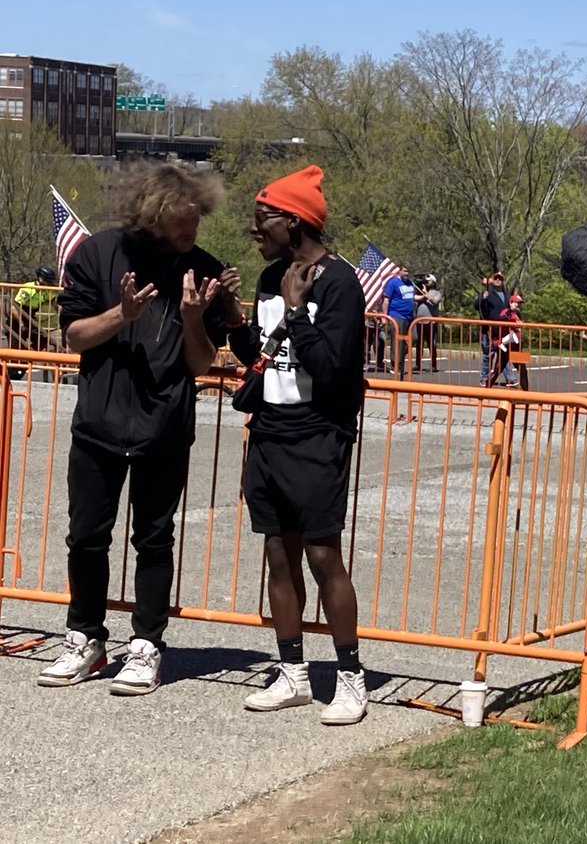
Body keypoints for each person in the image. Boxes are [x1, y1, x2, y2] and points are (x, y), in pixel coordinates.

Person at [35, 162, 230, 695]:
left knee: (154, 539)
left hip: (164, 428)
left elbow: (200, 364)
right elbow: (73, 336)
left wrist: (194, 318)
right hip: (98, 425)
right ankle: (85, 639)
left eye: (197, 219)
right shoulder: (97, 255)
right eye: (181, 220)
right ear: (153, 214)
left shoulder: (204, 269)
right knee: (87, 538)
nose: (191, 230)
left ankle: (146, 645)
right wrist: (120, 314)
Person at [225, 165, 368, 725]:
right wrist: (219, 316)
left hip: (317, 433)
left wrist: (295, 311)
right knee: (276, 557)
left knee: (321, 555)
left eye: (262, 219)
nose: (254, 229)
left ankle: (351, 679)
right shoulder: (269, 278)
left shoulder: (337, 282)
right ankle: (292, 674)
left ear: (293, 220)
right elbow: (260, 358)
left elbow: (333, 371)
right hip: (269, 431)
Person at [8, 265, 60, 352]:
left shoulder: (46, 291)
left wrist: (63, 317)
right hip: (16, 321)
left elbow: (55, 305)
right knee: (16, 349)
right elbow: (13, 308)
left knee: (42, 340)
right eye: (48, 281)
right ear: (41, 279)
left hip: (29, 319)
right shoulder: (29, 288)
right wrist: (22, 325)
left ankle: (30, 355)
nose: (50, 284)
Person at [475, 271, 514, 386]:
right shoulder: (487, 293)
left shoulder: (507, 294)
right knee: (489, 354)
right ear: (492, 280)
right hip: (488, 329)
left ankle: (510, 378)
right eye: (496, 278)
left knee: (504, 353)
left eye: (500, 279)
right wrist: (483, 298)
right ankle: (484, 377)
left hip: (503, 329)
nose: (498, 280)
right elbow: (477, 306)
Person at [381, 264, 416, 377]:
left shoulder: (410, 283)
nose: (407, 274)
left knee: (414, 338)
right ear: (399, 271)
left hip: (409, 316)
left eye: (408, 271)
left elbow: (412, 297)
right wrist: (384, 317)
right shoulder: (393, 283)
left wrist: (425, 297)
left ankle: (399, 358)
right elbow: (386, 301)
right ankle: (395, 364)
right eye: (405, 271)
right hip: (397, 315)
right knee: (397, 342)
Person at [413, 273, 443, 373]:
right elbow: (414, 298)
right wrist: (421, 293)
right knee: (419, 344)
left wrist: (426, 293)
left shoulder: (436, 293)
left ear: (433, 283)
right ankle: (418, 364)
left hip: (431, 322)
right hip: (419, 322)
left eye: (428, 281)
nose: (426, 283)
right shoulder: (420, 291)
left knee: (431, 344)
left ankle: (433, 365)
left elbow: (435, 301)